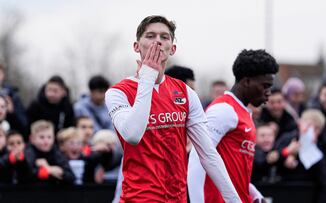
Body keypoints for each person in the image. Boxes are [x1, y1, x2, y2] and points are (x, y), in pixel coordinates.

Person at [105, 15, 240, 202]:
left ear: (172, 49)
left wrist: (234, 200)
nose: (158, 41)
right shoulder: (117, 93)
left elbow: (208, 154)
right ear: (136, 46)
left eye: (164, 37)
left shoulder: (185, 93)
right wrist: (147, 78)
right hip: (139, 198)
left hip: (177, 198)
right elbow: (133, 135)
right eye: (150, 36)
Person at [188, 49, 279, 203]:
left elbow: (233, 173)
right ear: (247, 81)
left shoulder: (244, 113)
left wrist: (254, 194)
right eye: (265, 86)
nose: (268, 92)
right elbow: (197, 159)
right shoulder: (223, 110)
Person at [24, 120, 75, 185]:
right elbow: (25, 175)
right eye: (41, 137)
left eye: (49, 137)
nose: (46, 141)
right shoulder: (28, 152)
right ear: (32, 139)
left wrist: (48, 168)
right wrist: (47, 172)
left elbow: (71, 177)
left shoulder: (56, 151)